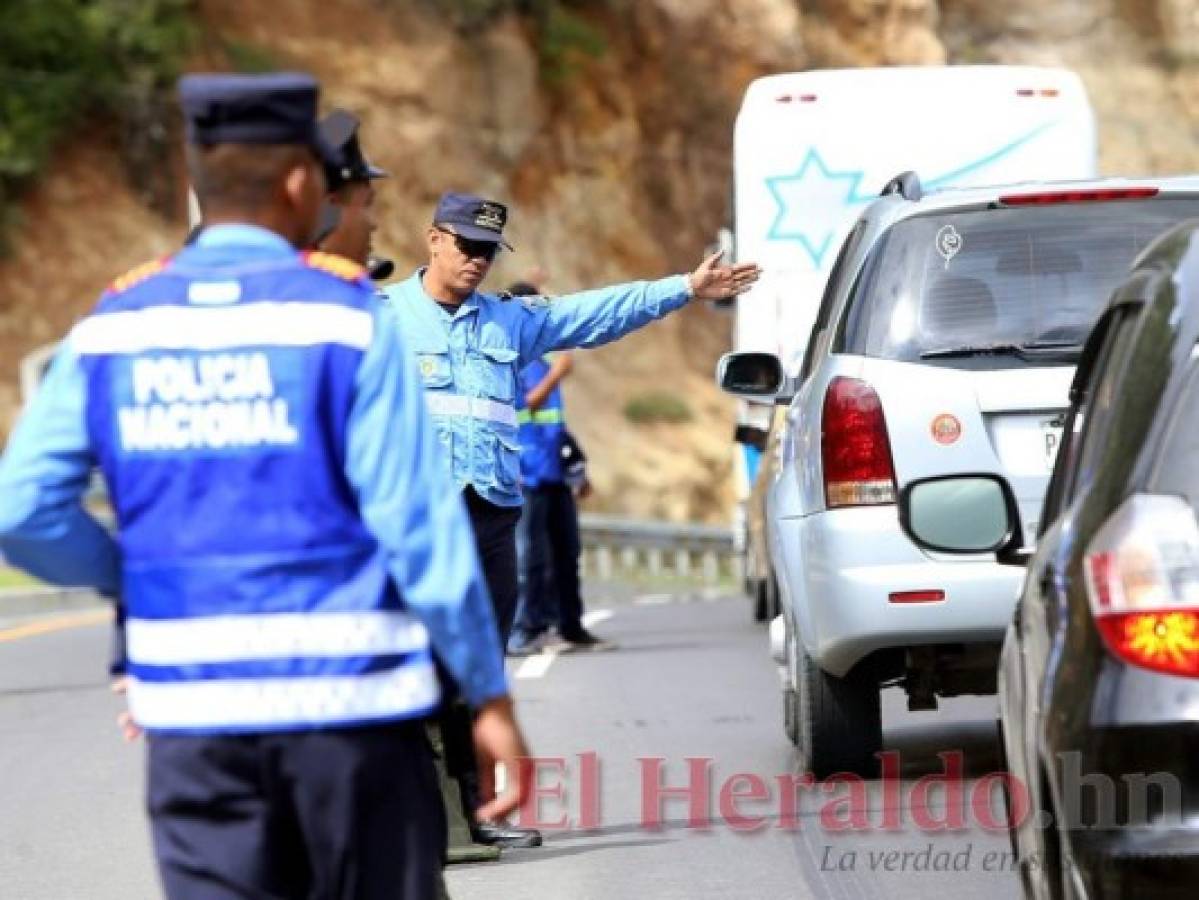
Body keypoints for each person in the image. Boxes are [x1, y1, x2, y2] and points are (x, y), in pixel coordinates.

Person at [0, 72, 530, 900]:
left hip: (196, 726)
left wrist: (132, 579)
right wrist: (487, 694)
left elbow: (21, 511)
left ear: (194, 184)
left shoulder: (114, 326)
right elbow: (417, 526)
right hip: (352, 720)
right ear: (298, 182)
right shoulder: (351, 318)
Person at [382, 192, 760, 846]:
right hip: (414, 523)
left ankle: (476, 814)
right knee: (409, 664)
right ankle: (404, 812)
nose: (476, 261)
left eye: (488, 251)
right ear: (433, 239)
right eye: (466, 245)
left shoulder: (508, 321)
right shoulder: (381, 317)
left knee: (480, 669)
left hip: (491, 517)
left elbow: (593, 314)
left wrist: (683, 288)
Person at [504, 282, 609, 656]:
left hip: (553, 474)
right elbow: (524, 407)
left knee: (567, 554)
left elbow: (555, 426)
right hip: (525, 476)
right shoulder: (509, 360)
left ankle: (570, 626)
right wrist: (555, 377)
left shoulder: (544, 361)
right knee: (528, 559)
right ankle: (524, 631)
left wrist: (576, 469)